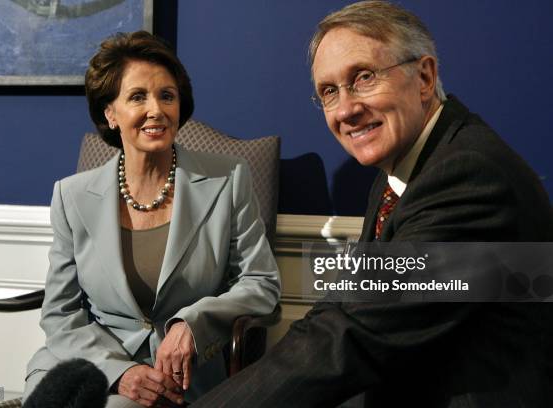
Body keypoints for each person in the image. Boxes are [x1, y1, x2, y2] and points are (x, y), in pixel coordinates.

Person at [192, 1, 553, 407]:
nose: (346, 109)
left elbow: (353, 335)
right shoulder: (402, 164)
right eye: (329, 91)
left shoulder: (468, 177)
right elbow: (345, 302)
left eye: (364, 77)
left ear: (424, 77)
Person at [23, 31, 280, 407]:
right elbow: (61, 313)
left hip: (176, 376)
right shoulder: (72, 195)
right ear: (110, 113)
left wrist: (194, 324)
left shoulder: (228, 179)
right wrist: (119, 372)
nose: (156, 110)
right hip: (84, 368)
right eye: (138, 96)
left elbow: (262, 283)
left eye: (167, 96)